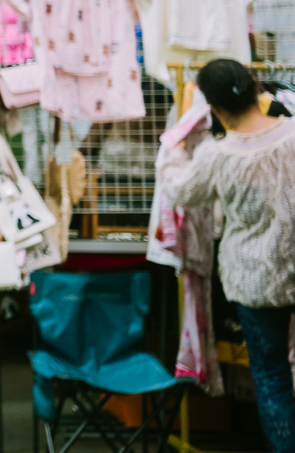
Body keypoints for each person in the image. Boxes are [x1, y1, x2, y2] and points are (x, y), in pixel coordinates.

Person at [159, 59, 295, 453]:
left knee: (271, 378)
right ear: (257, 87)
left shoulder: (219, 156)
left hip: (256, 282)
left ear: (213, 108)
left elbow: (181, 190)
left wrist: (175, 151)